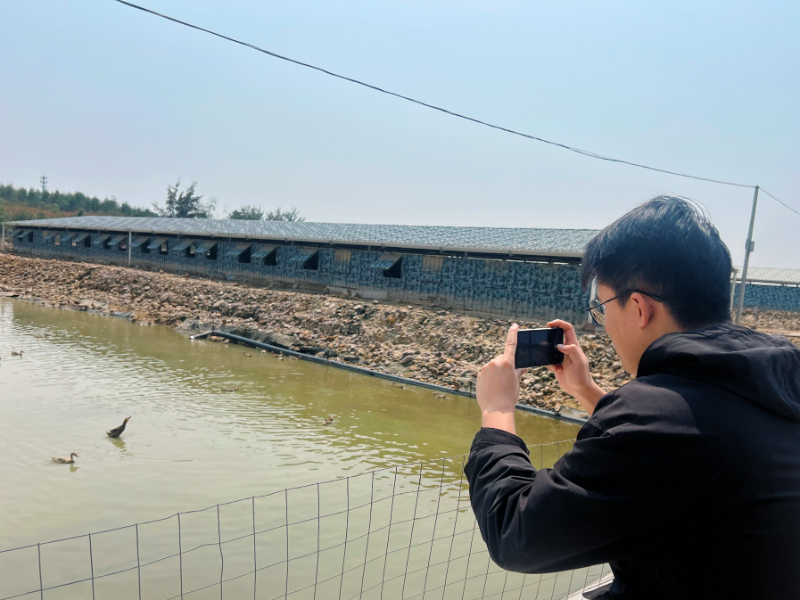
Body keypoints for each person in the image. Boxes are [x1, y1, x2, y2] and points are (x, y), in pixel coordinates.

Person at [465, 196, 800, 599]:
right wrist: (586, 391)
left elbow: (516, 534)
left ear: (639, 308)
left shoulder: (659, 417)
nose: (602, 322)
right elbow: (683, 437)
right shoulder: (775, 377)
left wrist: (497, 411)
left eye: (601, 306)